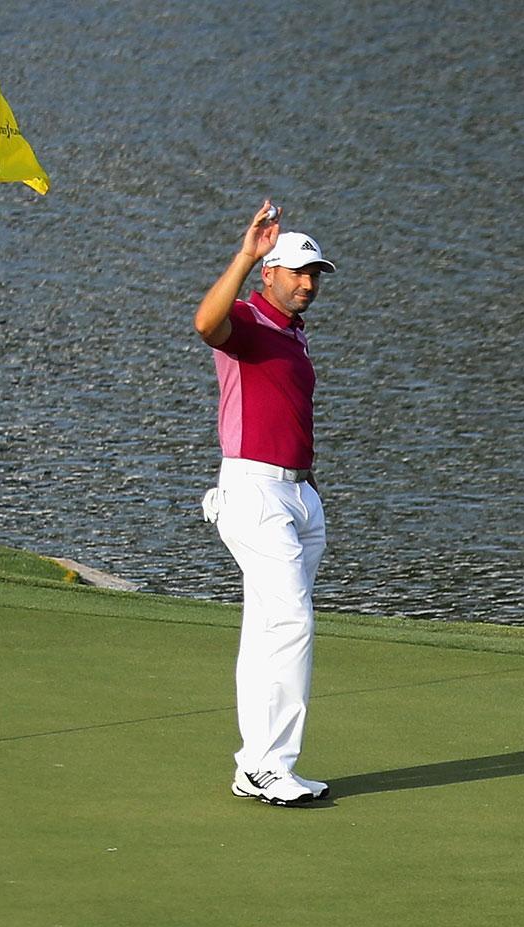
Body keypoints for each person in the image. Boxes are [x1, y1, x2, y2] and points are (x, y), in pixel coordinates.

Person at [193, 200, 336, 806]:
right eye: (297, 272)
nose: (308, 283)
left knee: (268, 631)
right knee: (290, 623)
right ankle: (267, 765)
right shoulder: (247, 321)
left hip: (299, 494)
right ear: (268, 274)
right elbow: (205, 324)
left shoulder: (292, 335)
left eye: (315, 274)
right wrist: (245, 251)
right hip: (255, 493)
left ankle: (260, 762)